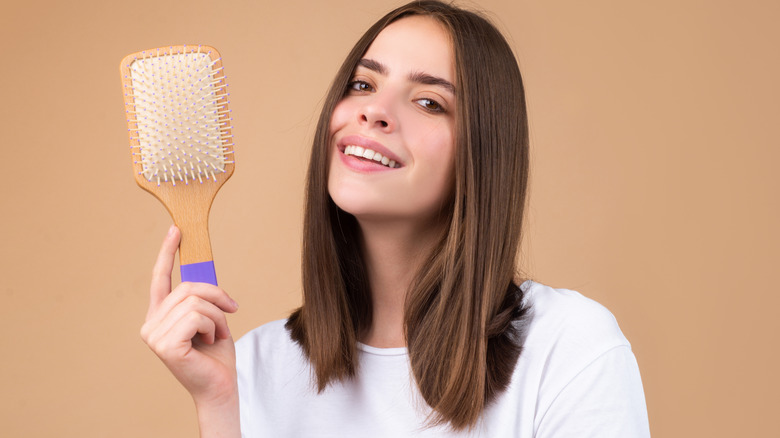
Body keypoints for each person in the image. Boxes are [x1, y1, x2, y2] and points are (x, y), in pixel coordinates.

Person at [140, 1, 651, 436]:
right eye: (362, 84)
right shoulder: (250, 369)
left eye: (429, 102)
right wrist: (218, 405)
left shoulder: (568, 349)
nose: (374, 111)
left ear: (483, 154)